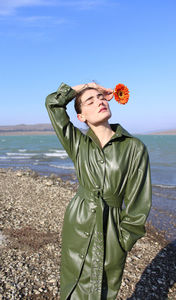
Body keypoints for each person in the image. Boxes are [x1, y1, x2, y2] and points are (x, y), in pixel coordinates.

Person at [45, 82, 152, 300]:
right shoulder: (78, 143)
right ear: (81, 117)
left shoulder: (134, 147)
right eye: (90, 101)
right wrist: (88, 85)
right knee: (72, 286)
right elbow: (52, 103)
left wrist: (123, 241)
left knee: (103, 290)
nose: (100, 101)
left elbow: (138, 203)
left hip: (112, 229)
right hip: (78, 222)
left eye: (101, 97)